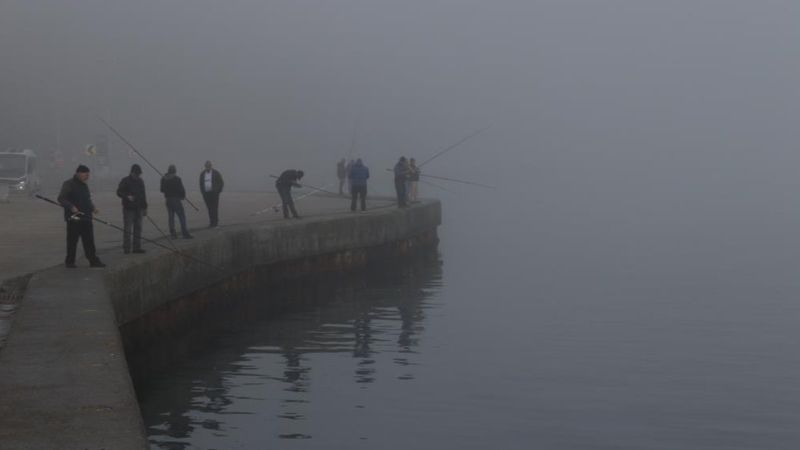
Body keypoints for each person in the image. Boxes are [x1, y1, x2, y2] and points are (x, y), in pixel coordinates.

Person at [57, 165, 105, 268]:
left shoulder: (84, 185)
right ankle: (70, 262)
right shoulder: (69, 184)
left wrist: (93, 208)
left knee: (89, 241)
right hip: (74, 218)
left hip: (86, 217)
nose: (87, 176)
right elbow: (61, 198)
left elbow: (87, 200)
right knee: (72, 241)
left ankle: (93, 260)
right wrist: (71, 207)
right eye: (85, 174)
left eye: (88, 174)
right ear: (78, 173)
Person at [116, 164, 148, 254]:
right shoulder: (125, 181)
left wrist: (145, 207)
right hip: (128, 209)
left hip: (139, 208)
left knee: (138, 228)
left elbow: (143, 195)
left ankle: (136, 248)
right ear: (132, 172)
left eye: (139, 174)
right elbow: (118, 192)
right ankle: (127, 249)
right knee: (128, 229)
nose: (138, 176)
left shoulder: (140, 181)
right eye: (137, 174)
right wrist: (127, 196)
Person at [160, 164, 193, 239]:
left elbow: (161, 190)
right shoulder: (177, 179)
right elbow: (181, 190)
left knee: (171, 217)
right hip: (176, 200)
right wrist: (182, 196)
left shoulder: (164, 179)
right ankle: (185, 233)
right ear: (174, 171)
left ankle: (173, 234)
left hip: (168, 200)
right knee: (182, 216)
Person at [198, 160, 224, 227]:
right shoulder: (202, 174)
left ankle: (215, 222)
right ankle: (211, 222)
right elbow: (200, 184)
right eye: (206, 166)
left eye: (209, 166)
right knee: (209, 208)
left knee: (214, 208)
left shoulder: (216, 173)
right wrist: (202, 192)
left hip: (214, 194)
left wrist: (218, 191)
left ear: (211, 166)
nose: (208, 167)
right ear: (205, 166)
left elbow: (221, 182)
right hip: (206, 194)